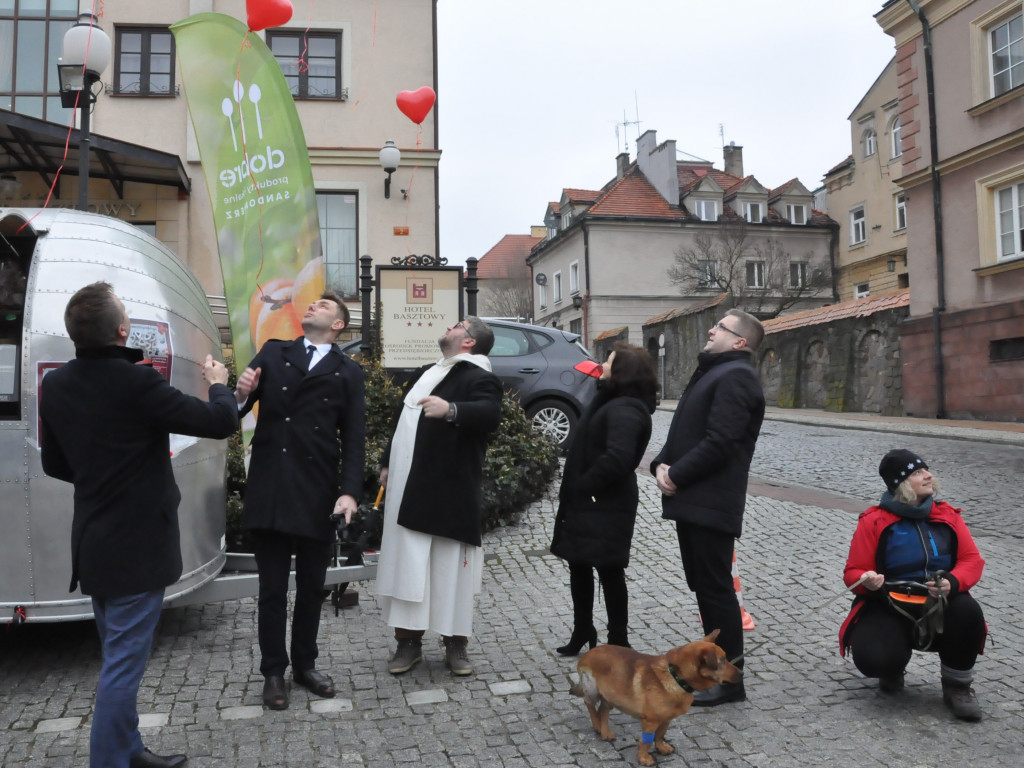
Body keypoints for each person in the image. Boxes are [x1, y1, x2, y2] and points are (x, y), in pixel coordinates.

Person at [39, 281, 238, 768]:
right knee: (123, 667)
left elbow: (55, 464)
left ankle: (128, 751)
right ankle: (110, 760)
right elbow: (218, 421)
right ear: (123, 330)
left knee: (118, 658)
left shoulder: (57, 384)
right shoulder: (137, 382)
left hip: (94, 543)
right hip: (137, 546)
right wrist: (219, 381)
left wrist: (100, 472)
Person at [234, 292, 366, 711]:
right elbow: (234, 411)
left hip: (317, 490)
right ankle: (273, 671)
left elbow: (356, 440)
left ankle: (305, 666)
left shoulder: (348, 372)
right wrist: (237, 394)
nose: (312, 307)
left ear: (338, 325)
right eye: (312, 305)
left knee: (311, 588)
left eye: (324, 307)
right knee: (271, 589)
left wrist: (348, 491)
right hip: (271, 486)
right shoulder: (274, 353)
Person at [650, 308, 765, 706]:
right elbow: (687, 430)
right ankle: (716, 673)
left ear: (740, 342)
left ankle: (730, 681)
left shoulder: (736, 376)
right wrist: (660, 464)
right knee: (706, 587)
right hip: (694, 499)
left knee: (717, 591)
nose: (711, 329)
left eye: (721, 327)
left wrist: (677, 475)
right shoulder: (714, 371)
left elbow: (722, 441)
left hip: (711, 500)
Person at [376, 316, 502, 676]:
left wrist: (451, 410)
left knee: (450, 570)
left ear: (470, 342)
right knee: (408, 566)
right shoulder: (429, 372)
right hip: (407, 486)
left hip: (449, 490)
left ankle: (456, 644)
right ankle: (408, 642)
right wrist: (387, 462)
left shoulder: (480, 376)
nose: (450, 326)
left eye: (459, 325)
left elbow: (491, 414)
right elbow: (404, 422)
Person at [839, 449, 987, 721]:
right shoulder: (874, 521)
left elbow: (972, 560)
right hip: (888, 603)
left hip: (940, 604)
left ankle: (957, 686)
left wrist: (952, 583)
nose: (928, 475)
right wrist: (867, 581)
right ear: (901, 484)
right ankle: (891, 668)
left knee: (968, 612)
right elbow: (852, 573)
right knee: (874, 657)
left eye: (926, 469)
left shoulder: (948, 516)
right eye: (918, 472)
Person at [550, 341, 658, 654]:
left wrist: (584, 485)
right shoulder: (612, 400)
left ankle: (618, 640)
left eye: (609, 361)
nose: (604, 365)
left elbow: (618, 458)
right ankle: (583, 628)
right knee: (579, 565)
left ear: (622, 371)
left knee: (609, 571)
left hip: (604, 503)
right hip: (592, 501)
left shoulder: (626, 408)